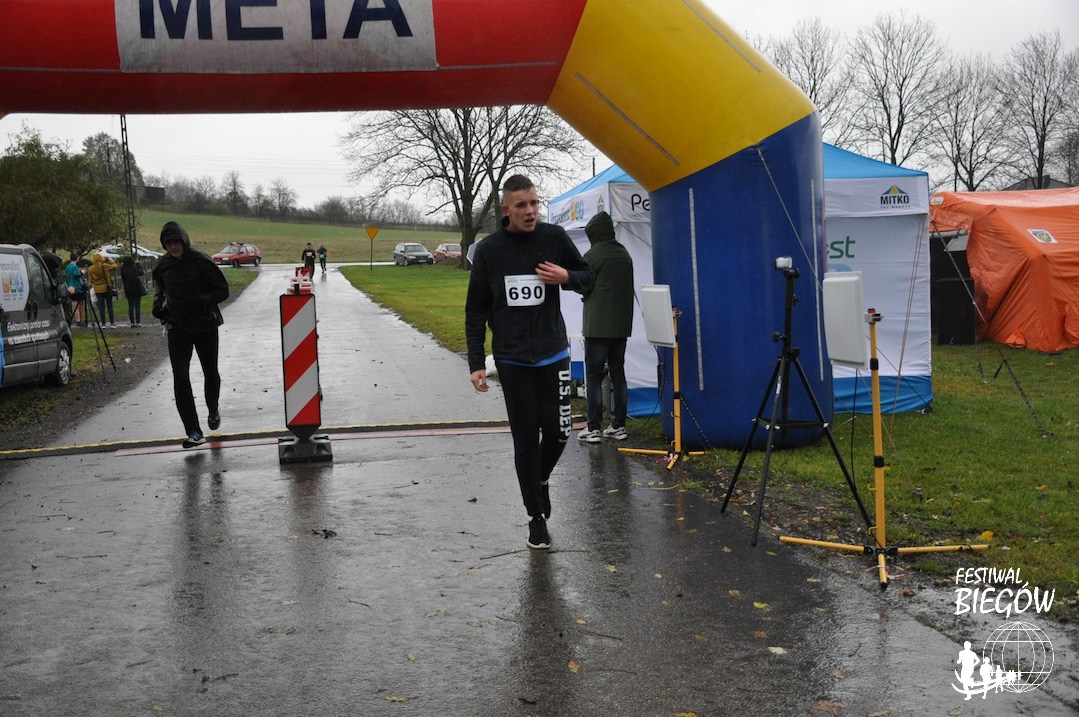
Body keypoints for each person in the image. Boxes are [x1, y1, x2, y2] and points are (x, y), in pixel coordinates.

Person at [465, 174, 592, 550]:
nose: (531, 211)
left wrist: (567, 276)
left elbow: (588, 277)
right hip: (513, 358)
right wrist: (476, 361)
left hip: (554, 352)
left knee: (559, 431)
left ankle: (540, 479)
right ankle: (536, 518)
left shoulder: (554, 237)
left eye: (535, 203)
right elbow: (476, 310)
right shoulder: (489, 251)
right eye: (522, 205)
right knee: (525, 438)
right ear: (506, 210)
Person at [152, 221, 230, 449]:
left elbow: (222, 290)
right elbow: (159, 287)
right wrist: (158, 304)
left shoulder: (201, 260)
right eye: (168, 244)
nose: (173, 247)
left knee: (210, 371)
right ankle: (193, 431)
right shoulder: (163, 265)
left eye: (176, 242)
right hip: (178, 326)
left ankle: (213, 408)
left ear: (184, 241)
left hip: (205, 324)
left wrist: (198, 300)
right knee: (180, 377)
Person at [575, 211, 635, 444]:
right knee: (618, 375)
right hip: (621, 327)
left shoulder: (593, 255)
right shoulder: (624, 254)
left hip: (597, 327)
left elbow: (582, 285)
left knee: (593, 376)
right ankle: (618, 426)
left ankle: (593, 428)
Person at [86, 252, 119, 327]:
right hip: (106, 288)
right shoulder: (104, 265)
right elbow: (115, 267)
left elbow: (91, 280)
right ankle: (112, 323)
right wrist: (112, 261)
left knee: (101, 307)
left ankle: (103, 323)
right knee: (109, 305)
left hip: (98, 289)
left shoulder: (90, 269)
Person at [120, 255, 147, 327]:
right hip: (136, 288)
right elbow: (141, 273)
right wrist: (138, 264)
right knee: (137, 305)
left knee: (131, 305)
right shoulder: (134, 267)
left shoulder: (123, 268)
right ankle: (138, 322)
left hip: (128, 289)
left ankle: (132, 322)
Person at [65, 254, 87, 326]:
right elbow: (77, 275)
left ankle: (77, 320)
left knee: (74, 303)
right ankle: (79, 320)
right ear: (77, 259)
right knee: (80, 304)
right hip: (77, 287)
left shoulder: (67, 266)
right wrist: (82, 272)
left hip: (69, 286)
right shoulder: (75, 267)